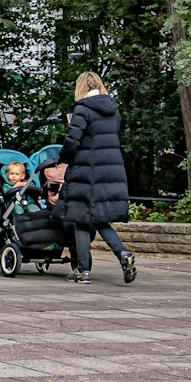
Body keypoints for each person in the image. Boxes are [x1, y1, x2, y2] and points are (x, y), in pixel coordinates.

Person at [56, 71, 137, 285]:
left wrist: (62, 159)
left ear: (81, 87)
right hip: (110, 170)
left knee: (80, 219)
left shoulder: (82, 109)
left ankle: (83, 271)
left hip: (87, 171)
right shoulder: (112, 109)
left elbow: (73, 140)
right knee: (99, 219)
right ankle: (123, 254)